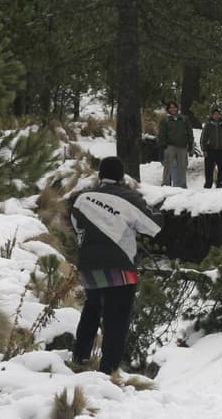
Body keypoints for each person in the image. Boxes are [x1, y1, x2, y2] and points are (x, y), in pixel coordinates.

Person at [70, 157, 163, 374]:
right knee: (116, 321)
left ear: (100, 175)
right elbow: (153, 226)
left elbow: (76, 226)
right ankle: (108, 372)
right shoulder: (129, 198)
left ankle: (79, 360)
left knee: (91, 311)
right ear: (122, 177)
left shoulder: (82, 198)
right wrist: (155, 209)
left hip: (89, 268)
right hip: (121, 268)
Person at [158, 101, 193, 188]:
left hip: (182, 146)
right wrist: (163, 145)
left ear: (177, 108)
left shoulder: (184, 119)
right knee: (168, 166)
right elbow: (161, 134)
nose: (173, 109)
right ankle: (165, 184)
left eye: (174, 107)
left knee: (182, 167)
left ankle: (182, 186)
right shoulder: (165, 120)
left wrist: (190, 144)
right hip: (170, 146)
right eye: (170, 108)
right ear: (168, 109)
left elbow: (189, 132)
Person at [200, 107, 222, 188]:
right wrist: (204, 149)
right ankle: (208, 185)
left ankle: (220, 185)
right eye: (215, 114)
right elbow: (203, 138)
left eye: (218, 114)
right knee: (209, 170)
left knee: (221, 170)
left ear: (220, 115)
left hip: (221, 151)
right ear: (212, 115)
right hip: (210, 151)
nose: (216, 116)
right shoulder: (208, 126)